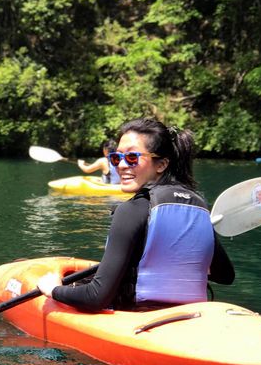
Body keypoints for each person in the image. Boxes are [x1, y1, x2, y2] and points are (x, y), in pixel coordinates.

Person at [38, 118, 234, 311]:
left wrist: (53, 290)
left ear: (161, 164)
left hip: (140, 318)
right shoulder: (198, 208)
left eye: (132, 157)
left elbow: (96, 297)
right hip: (193, 315)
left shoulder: (131, 210)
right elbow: (225, 275)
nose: (121, 165)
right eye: (116, 158)